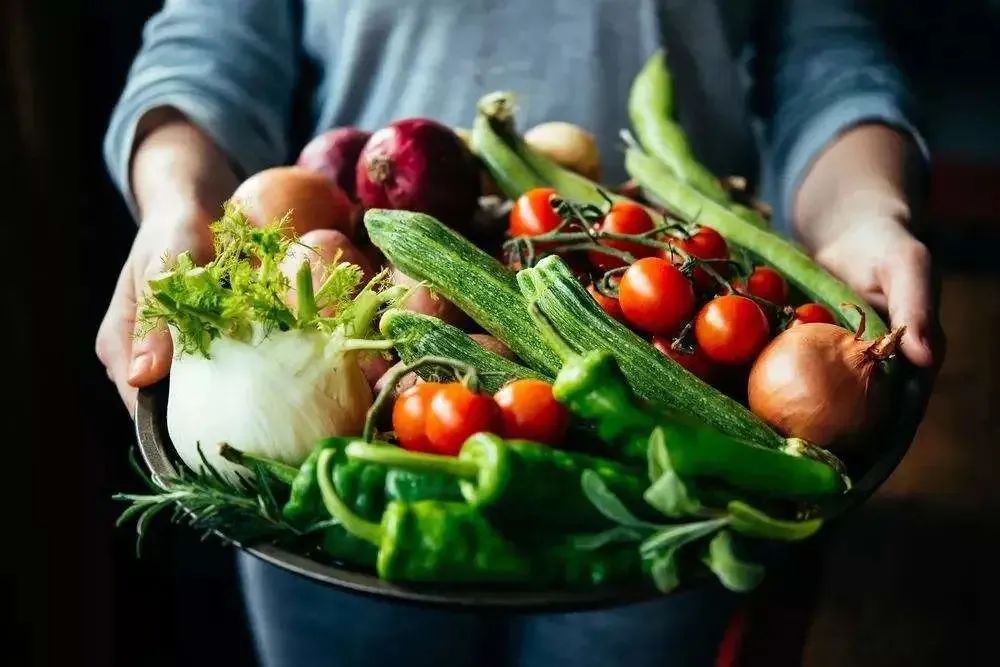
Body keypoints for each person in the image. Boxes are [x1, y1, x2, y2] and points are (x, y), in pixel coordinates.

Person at [97, 1, 941, 665]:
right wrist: (178, 206)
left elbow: (823, 49)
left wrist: (866, 213)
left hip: (670, 401)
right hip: (339, 398)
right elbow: (211, 43)